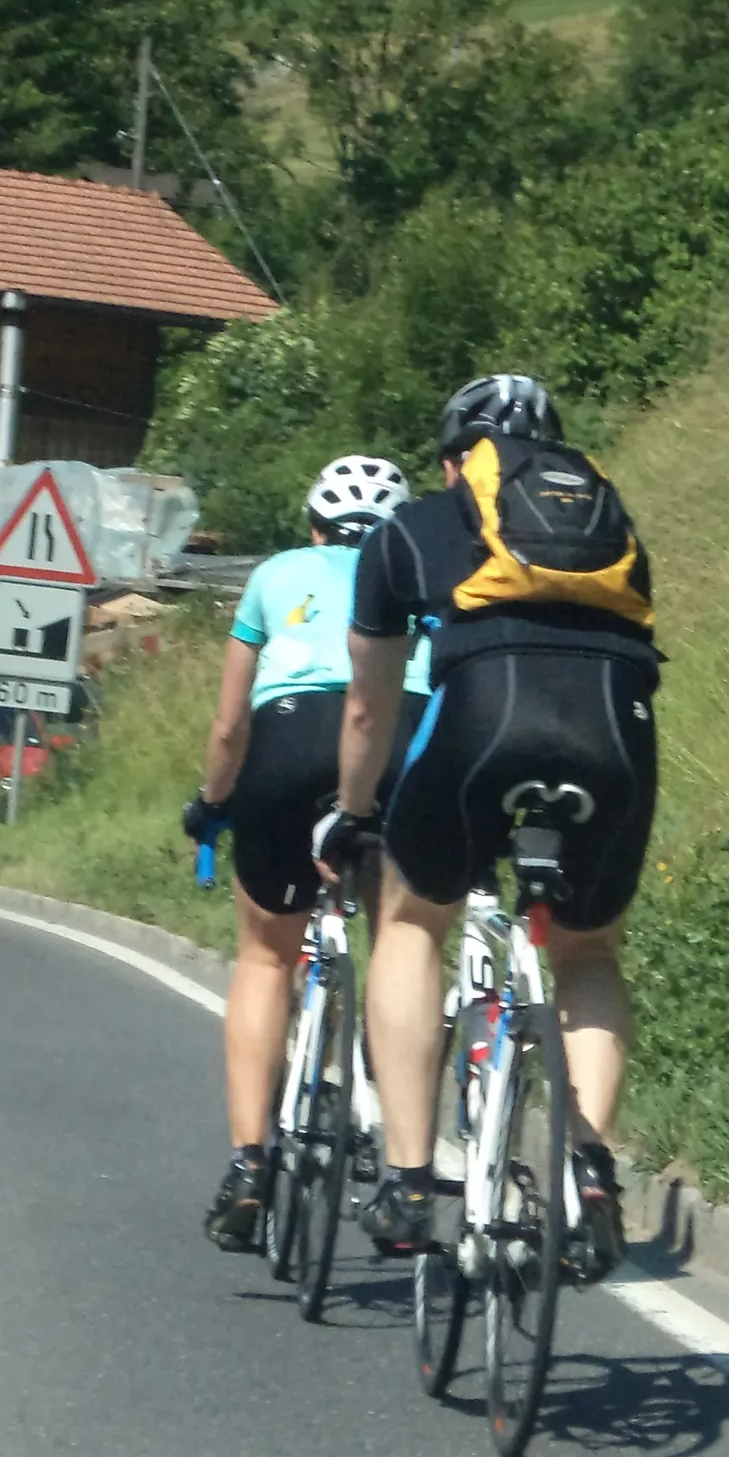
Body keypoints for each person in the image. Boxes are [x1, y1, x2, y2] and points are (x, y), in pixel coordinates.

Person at [311, 375, 657, 1278]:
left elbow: (366, 707)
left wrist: (354, 813)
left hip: (481, 726)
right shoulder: (609, 524)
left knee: (415, 918)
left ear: (454, 459)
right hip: (616, 736)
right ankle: (589, 1167)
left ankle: (412, 1175)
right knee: (586, 953)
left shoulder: (408, 530)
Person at [184, 456, 426, 1252]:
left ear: (314, 524)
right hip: (396, 740)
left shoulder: (276, 573)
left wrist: (213, 804)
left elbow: (228, 728)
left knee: (263, 957)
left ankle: (250, 1165)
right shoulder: (420, 572)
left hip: (287, 743)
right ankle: (402, 1173)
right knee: (405, 947)